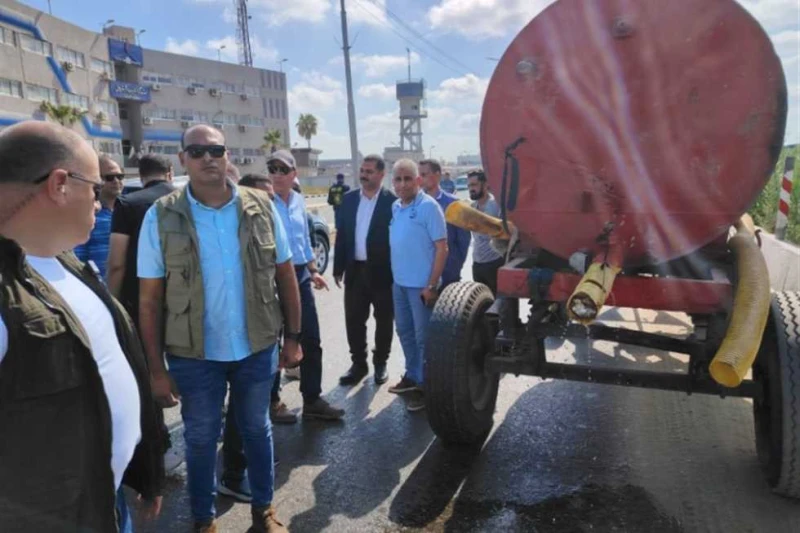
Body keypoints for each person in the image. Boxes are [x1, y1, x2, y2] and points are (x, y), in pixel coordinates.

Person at [0, 121, 165, 532]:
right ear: (59, 184)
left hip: (105, 501)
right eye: (95, 187)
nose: (102, 198)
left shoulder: (65, 260)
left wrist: (144, 467)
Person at [138, 125, 302, 533]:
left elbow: (285, 275)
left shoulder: (261, 206)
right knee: (199, 437)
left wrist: (294, 338)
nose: (207, 158)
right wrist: (156, 370)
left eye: (215, 150)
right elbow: (150, 300)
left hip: (256, 347)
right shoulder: (161, 215)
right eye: (196, 151)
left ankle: (264, 511)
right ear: (182, 160)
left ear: (227, 155)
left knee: (257, 430)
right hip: (194, 356)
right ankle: (204, 520)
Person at [268, 150, 345, 421]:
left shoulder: (298, 201)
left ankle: (312, 399)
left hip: (300, 274)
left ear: (294, 174)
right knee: (273, 342)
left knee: (311, 338)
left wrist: (313, 271)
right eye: (272, 169)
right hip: (272, 276)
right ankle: (272, 401)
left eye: (283, 170)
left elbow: (303, 241)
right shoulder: (264, 202)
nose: (277, 174)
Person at [388, 159, 448, 412]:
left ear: (418, 181)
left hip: (421, 287)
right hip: (400, 284)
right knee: (405, 332)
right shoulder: (395, 207)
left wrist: (431, 285)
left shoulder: (429, 207)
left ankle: (427, 386)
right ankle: (413, 376)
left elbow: (442, 248)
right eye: (398, 179)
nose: (402, 184)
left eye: (408, 179)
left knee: (424, 338)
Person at [334, 154, 397, 386]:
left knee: (384, 319)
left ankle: (380, 362)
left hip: (382, 272)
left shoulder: (392, 202)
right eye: (362, 170)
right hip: (355, 271)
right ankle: (358, 364)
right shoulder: (349, 199)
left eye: (369, 171)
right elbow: (342, 234)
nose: (364, 175)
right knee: (354, 319)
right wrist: (338, 267)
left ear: (381, 174)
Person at [107, 154, 175, 321]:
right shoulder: (189, 202)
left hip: (139, 296)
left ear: (141, 175)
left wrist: (112, 306)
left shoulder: (127, 204)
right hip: (183, 295)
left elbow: (116, 264)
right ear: (170, 173)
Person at [419, 159, 470, 288]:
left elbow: (463, 240)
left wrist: (455, 266)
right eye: (419, 175)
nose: (420, 179)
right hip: (422, 275)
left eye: (424, 174)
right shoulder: (416, 204)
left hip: (448, 275)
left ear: (437, 175)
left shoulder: (453, 204)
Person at [74, 153, 124, 278]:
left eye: (120, 176)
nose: (116, 181)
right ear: (95, 180)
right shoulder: (86, 214)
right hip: (96, 284)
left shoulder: (128, 211)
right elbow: (77, 259)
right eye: (109, 177)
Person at [467, 170, 505, 295]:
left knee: (500, 302)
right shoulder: (472, 207)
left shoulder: (496, 206)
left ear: (485, 184)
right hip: (478, 263)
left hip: (495, 261)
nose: (471, 189)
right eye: (469, 186)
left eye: (474, 185)